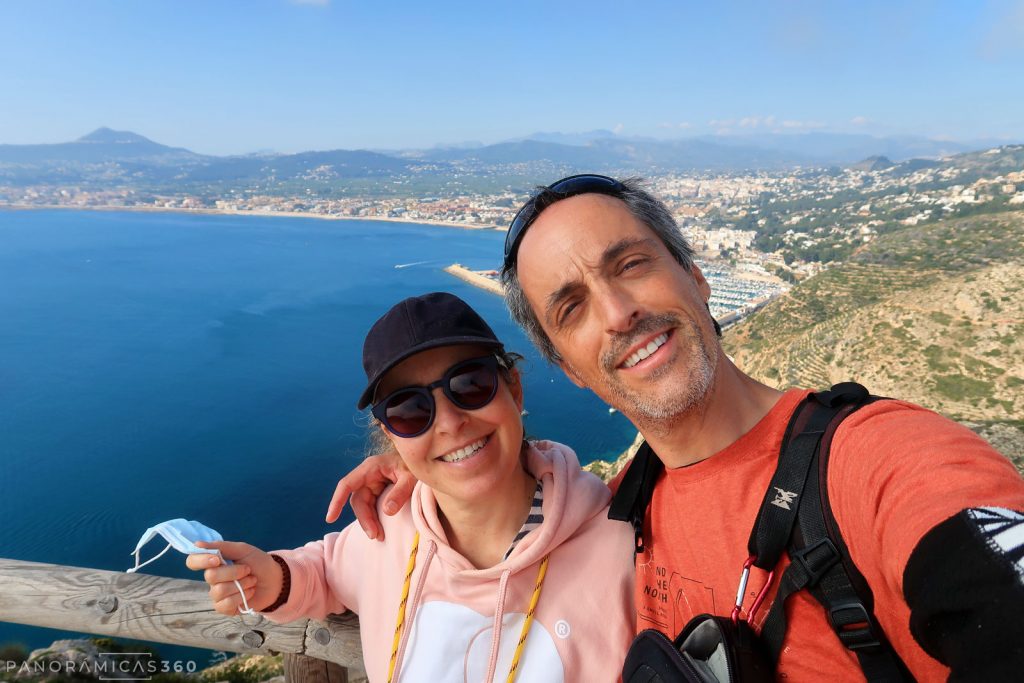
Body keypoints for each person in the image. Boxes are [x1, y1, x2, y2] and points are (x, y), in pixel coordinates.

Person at [331, 176, 1024, 680]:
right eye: (571, 308)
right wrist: (431, 459)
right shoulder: (625, 510)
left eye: (630, 264)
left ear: (696, 276)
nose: (616, 312)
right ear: (568, 367)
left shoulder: (876, 461)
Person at [187, 291, 635, 683]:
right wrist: (272, 579)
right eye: (409, 410)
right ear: (392, 437)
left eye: (470, 384)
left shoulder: (621, 550)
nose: (450, 423)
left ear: (513, 389)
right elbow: (325, 568)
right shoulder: (390, 532)